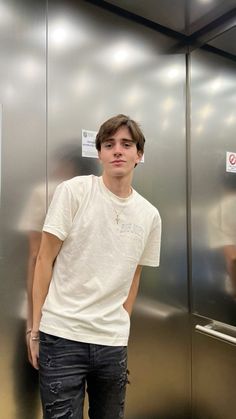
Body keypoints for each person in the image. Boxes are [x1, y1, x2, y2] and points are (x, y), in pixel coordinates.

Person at [30, 114, 162, 419]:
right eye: (109, 144)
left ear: (139, 154)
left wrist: (120, 324)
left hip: (111, 345)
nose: (117, 150)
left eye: (126, 144)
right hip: (62, 338)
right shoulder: (74, 192)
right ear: (99, 152)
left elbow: (135, 276)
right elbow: (43, 259)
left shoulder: (149, 215)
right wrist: (35, 330)